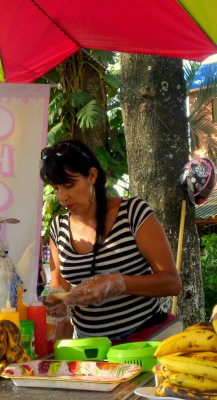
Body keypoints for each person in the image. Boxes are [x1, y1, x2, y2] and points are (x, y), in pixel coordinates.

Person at [40, 139, 182, 342]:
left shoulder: (133, 213)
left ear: (92, 176)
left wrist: (117, 283)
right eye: (56, 188)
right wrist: (58, 304)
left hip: (144, 341)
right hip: (90, 350)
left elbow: (171, 282)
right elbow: (59, 290)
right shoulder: (58, 228)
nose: (62, 197)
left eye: (69, 185)